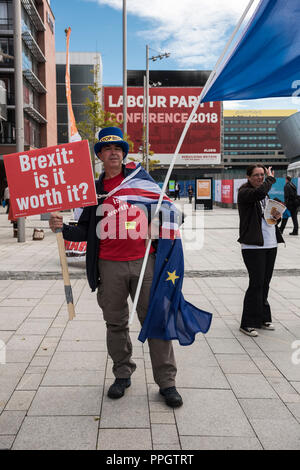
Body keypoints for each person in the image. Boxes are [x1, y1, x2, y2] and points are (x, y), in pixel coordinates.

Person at [49, 127, 183, 408]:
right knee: (116, 322)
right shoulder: (91, 190)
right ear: (100, 155)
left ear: (123, 154)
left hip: (145, 264)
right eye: (108, 149)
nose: (114, 153)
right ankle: (122, 373)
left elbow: (169, 214)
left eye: (119, 149)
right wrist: (62, 227)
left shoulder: (141, 181)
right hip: (109, 266)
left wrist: (161, 223)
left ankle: (167, 382)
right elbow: (85, 231)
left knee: (155, 320)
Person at [237, 165, 284, 337]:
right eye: (256, 175)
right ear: (248, 177)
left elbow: (268, 219)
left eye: (262, 175)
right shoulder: (245, 193)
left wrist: (276, 217)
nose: (260, 178)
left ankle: (263, 317)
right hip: (253, 246)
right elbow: (258, 194)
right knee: (255, 283)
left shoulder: (265, 194)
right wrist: (271, 180)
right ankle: (247, 322)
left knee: (265, 282)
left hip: (270, 244)